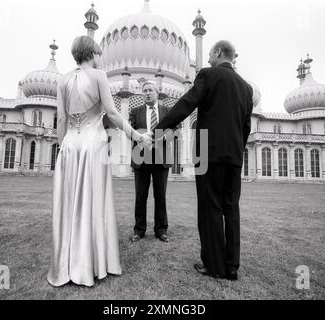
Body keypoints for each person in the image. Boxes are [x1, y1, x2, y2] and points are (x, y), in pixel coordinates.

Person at [47, 36, 151, 287]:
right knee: (92, 202)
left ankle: (68, 263)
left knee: (70, 203)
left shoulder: (63, 80)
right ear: (92, 52)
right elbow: (113, 113)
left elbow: (61, 119)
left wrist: (63, 147)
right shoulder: (98, 76)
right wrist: (136, 135)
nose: (100, 55)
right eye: (98, 51)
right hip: (93, 145)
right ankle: (91, 264)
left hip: (70, 146)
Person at [154, 40, 253, 281]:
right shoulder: (246, 88)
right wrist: (238, 149)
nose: (208, 58)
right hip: (234, 156)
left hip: (207, 153)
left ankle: (214, 264)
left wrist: (161, 125)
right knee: (231, 208)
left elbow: (188, 103)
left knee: (210, 208)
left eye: (210, 53)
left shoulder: (208, 75)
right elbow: (246, 126)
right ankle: (231, 267)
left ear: (218, 52)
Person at [128, 82, 176, 243]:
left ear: (157, 92)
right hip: (141, 158)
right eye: (145, 91)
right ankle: (139, 230)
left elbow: (174, 130)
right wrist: (141, 137)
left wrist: (164, 137)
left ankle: (161, 230)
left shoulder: (167, 111)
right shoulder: (135, 112)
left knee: (160, 196)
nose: (147, 93)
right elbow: (130, 132)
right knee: (140, 196)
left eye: (150, 90)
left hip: (161, 158)